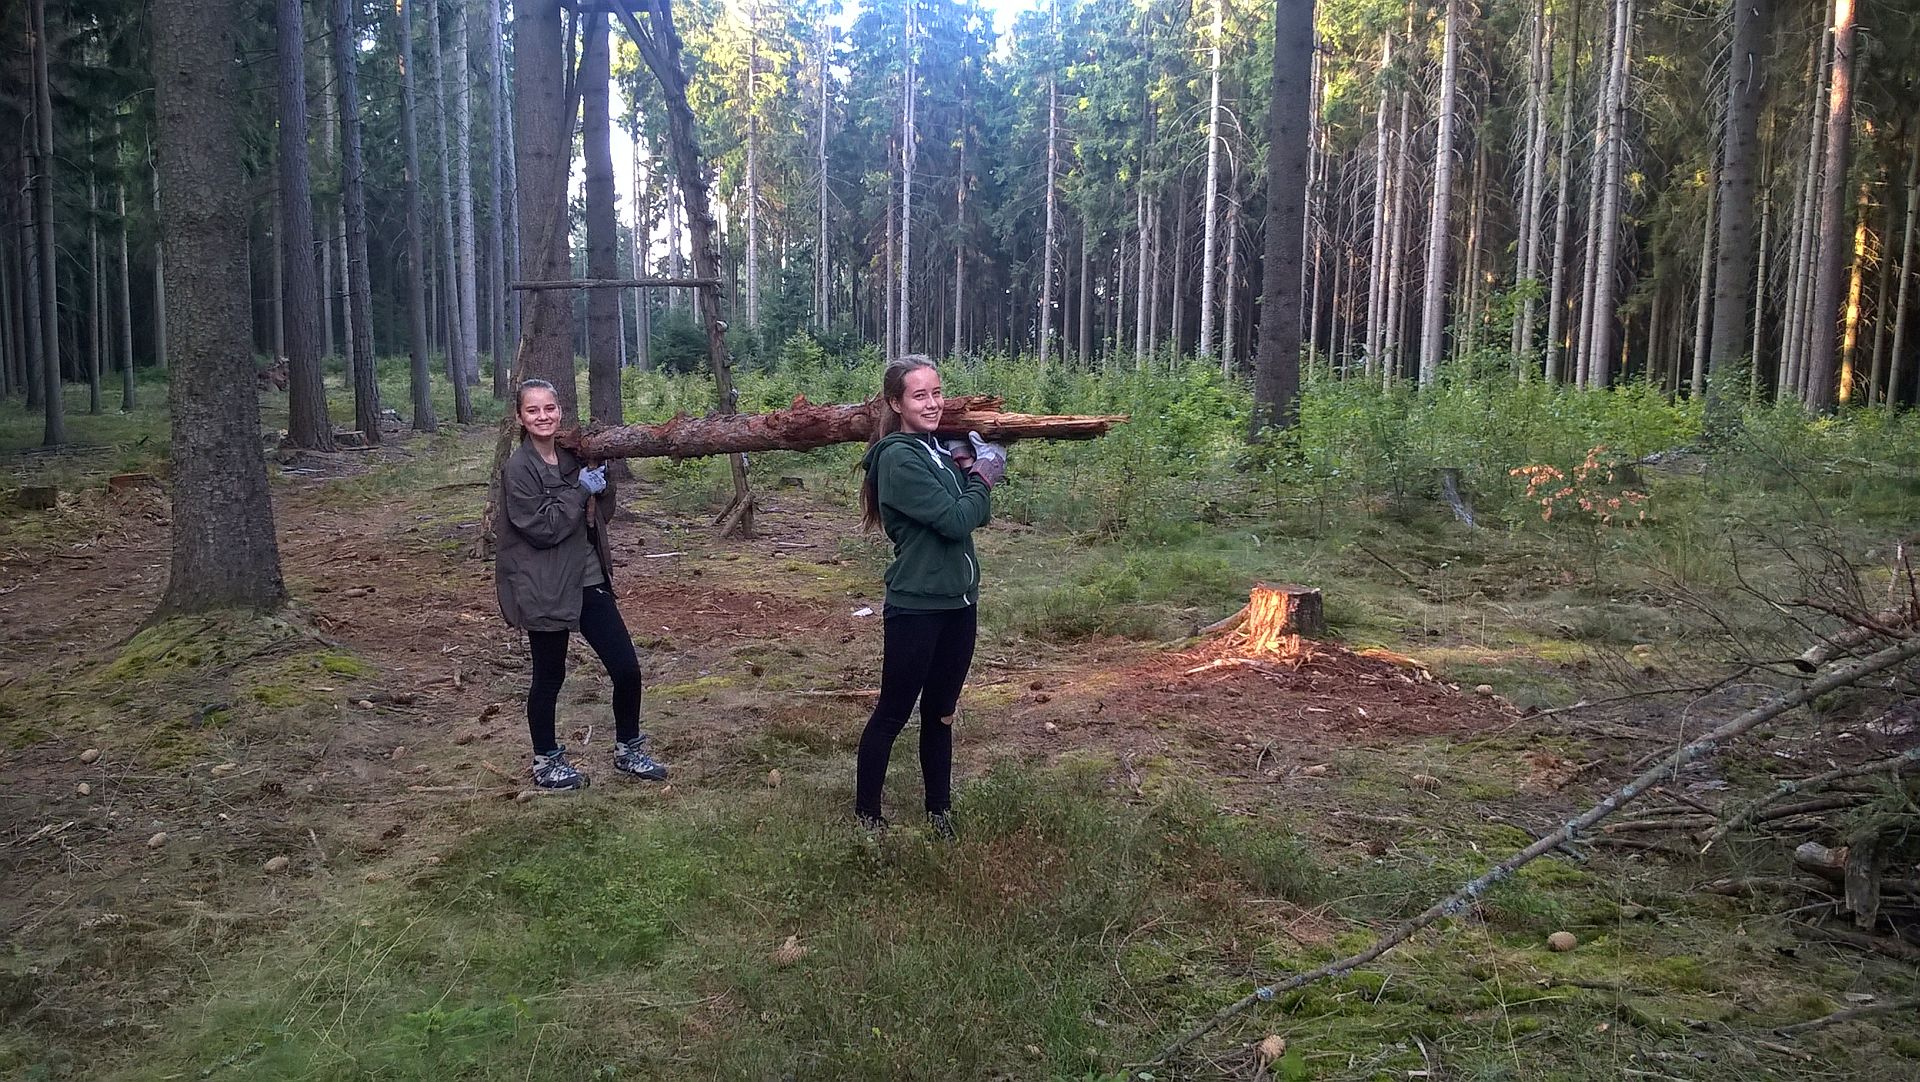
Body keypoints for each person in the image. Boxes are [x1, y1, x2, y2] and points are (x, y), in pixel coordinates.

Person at [853, 356, 1008, 838]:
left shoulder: (932, 449)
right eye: (919, 395)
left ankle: (939, 812)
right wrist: (984, 473)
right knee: (893, 713)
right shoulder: (899, 458)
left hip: (959, 604)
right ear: (896, 403)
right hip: (917, 606)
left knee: (941, 714)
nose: (933, 403)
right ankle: (867, 817)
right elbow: (958, 520)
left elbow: (970, 508)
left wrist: (963, 464)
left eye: (937, 392)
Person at [496, 378, 669, 790]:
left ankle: (628, 749)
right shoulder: (519, 469)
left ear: (560, 411)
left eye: (549, 408)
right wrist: (579, 492)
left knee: (626, 668)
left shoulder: (573, 456)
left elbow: (599, 515)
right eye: (533, 410)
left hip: (588, 576)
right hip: (543, 584)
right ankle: (546, 762)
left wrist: (603, 487)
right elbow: (544, 528)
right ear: (520, 417)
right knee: (549, 677)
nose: (543, 416)